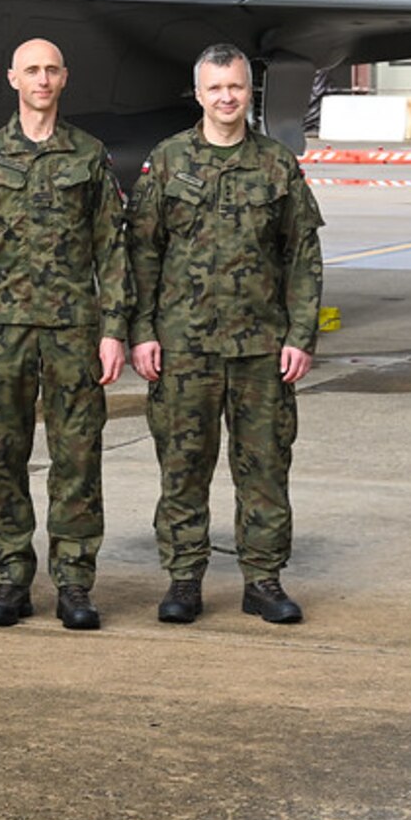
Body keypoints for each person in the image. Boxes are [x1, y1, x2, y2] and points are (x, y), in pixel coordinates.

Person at [127, 43, 324, 626]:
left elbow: (302, 256)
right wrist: (142, 332)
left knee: (264, 468)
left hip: (262, 350)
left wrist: (301, 334)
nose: (227, 97)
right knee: (183, 467)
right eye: (216, 88)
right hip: (184, 349)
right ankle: (184, 579)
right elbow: (141, 253)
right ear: (199, 94)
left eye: (236, 86)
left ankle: (262, 580)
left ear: (249, 91)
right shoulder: (168, 161)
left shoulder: (275, 165)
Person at [0, 38, 129, 631]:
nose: (41, 80)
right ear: (12, 80)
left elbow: (112, 249)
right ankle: (10, 578)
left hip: (74, 330)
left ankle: (74, 582)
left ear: (64, 78)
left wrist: (114, 328)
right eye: (31, 71)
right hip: (2, 331)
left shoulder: (90, 155)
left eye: (50, 70)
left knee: (77, 458)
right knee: (1, 455)